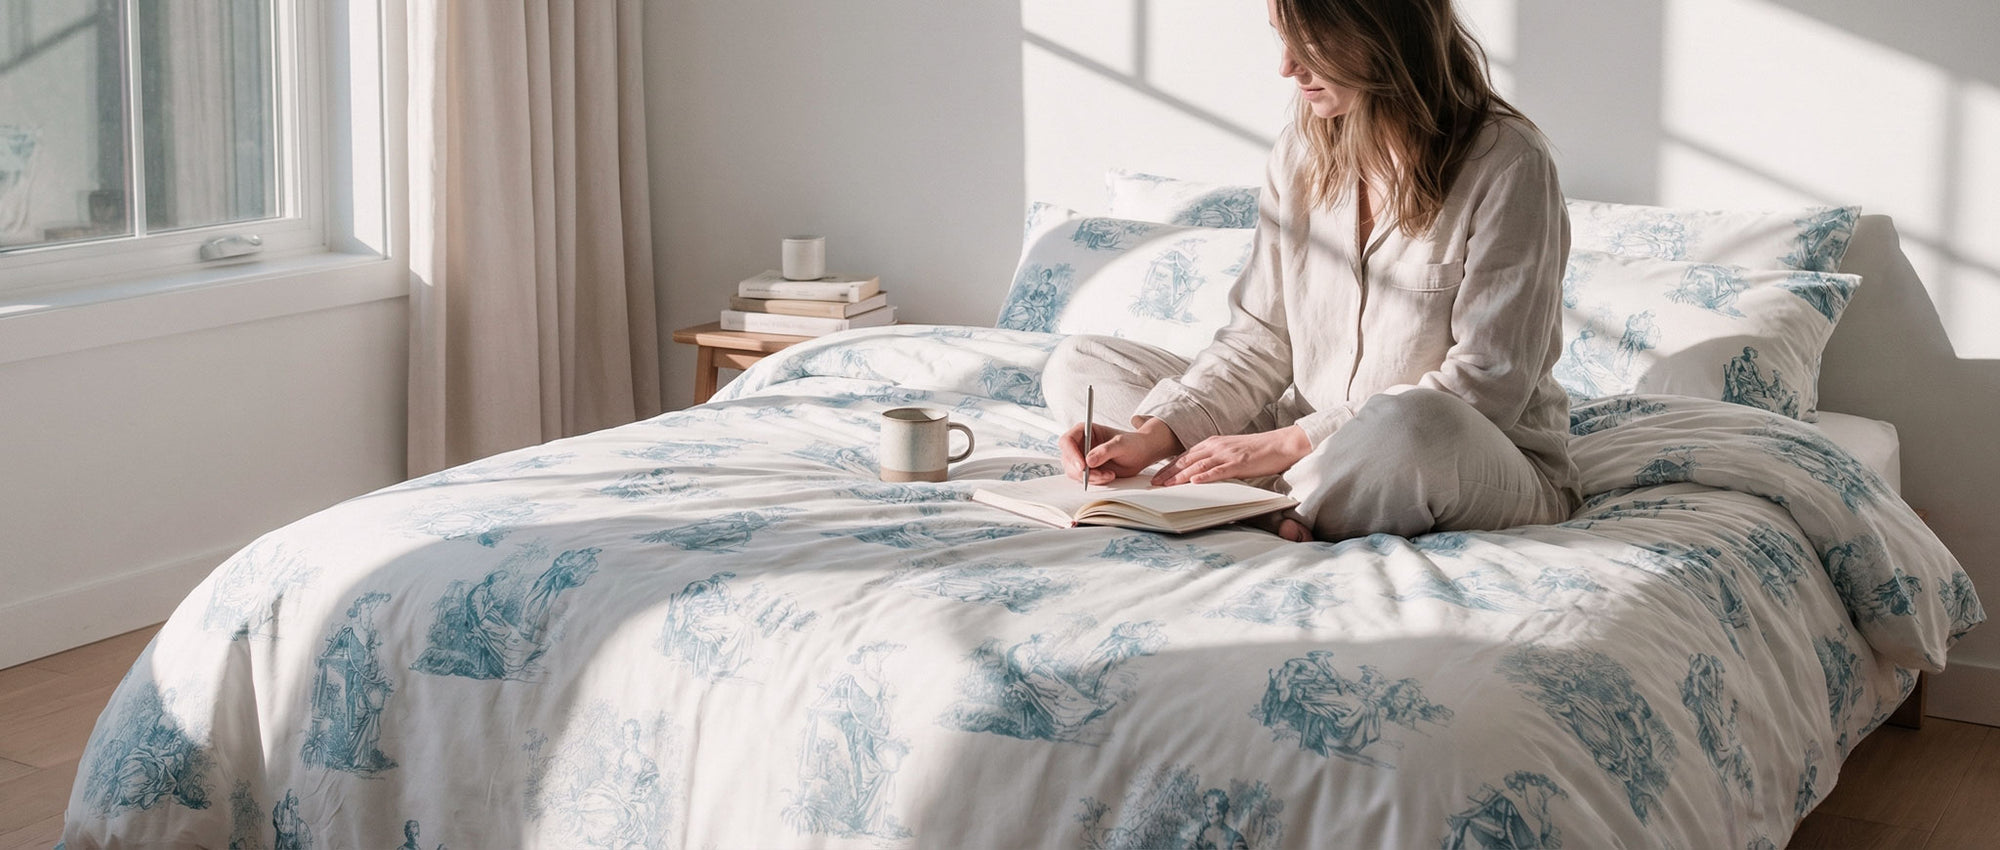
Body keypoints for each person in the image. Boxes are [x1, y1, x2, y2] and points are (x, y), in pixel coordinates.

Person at [1052, 0, 1579, 542]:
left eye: (1311, 42)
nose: (1287, 66)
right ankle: (1277, 504)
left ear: (1384, 32)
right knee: (1079, 362)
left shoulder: (1509, 161)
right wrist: (1156, 436)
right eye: (1282, 37)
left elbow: (1487, 384)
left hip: (1471, 453)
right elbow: (1258, 339)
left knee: (1415, 422)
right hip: (1305, 440)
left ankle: (1247, 501)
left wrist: (1284, 446)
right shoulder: (1301, 151)